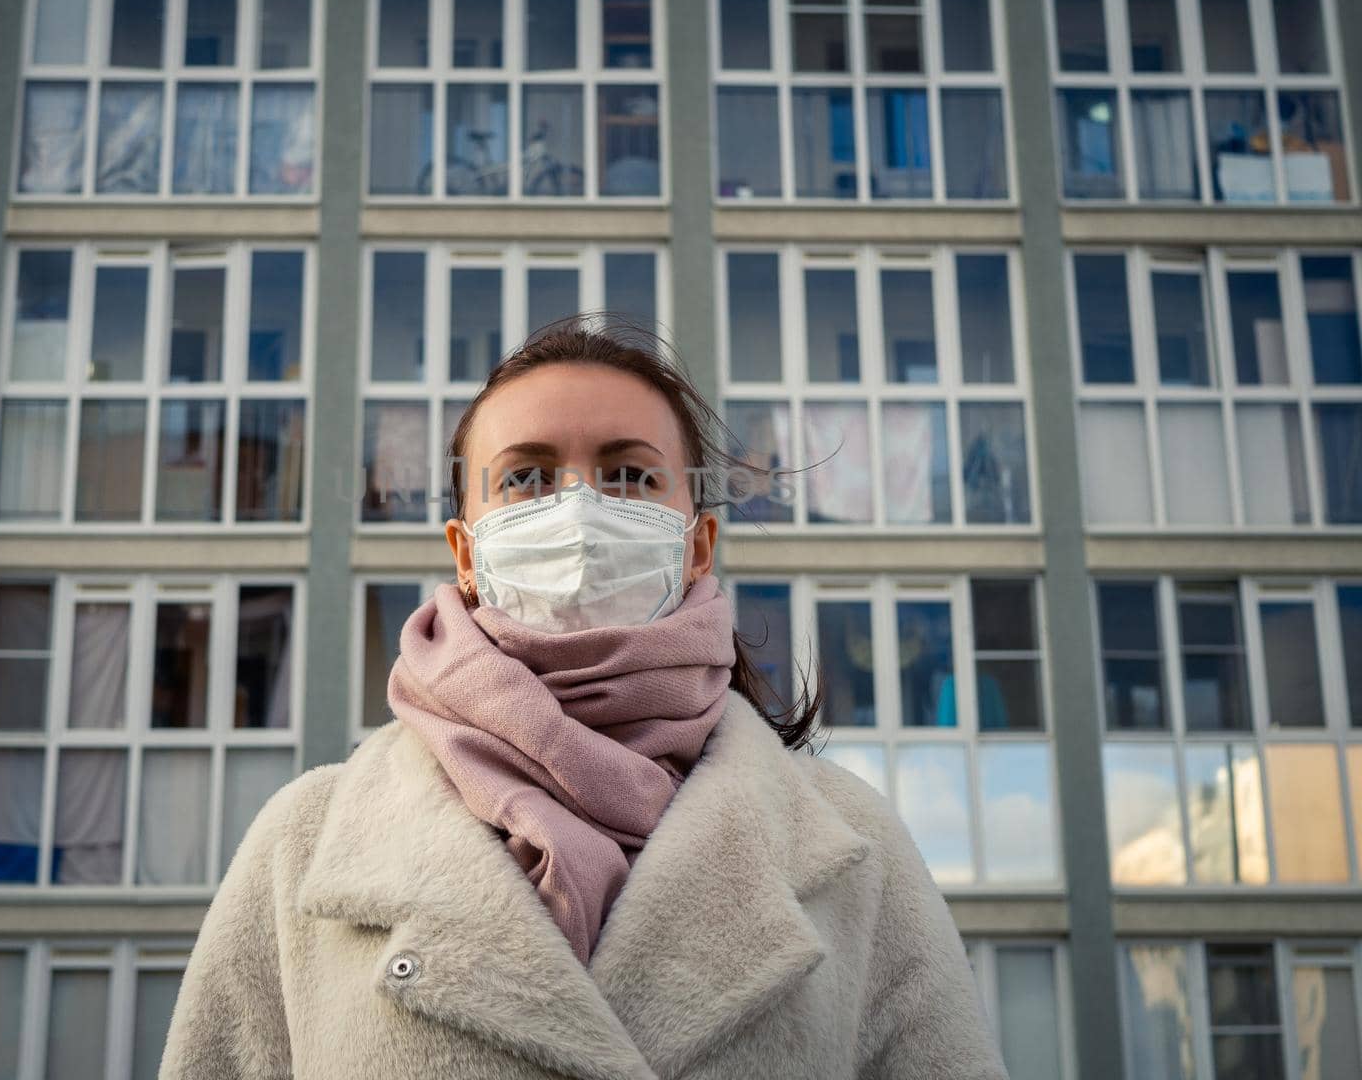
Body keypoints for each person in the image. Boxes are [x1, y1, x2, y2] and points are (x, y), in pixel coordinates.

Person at [160, 318, 1008, 1080]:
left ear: (697, 542)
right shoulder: (302, 844)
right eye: (525, 478)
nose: (578, 508)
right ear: (465, 551)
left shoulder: (856, 849)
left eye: (630, 475)